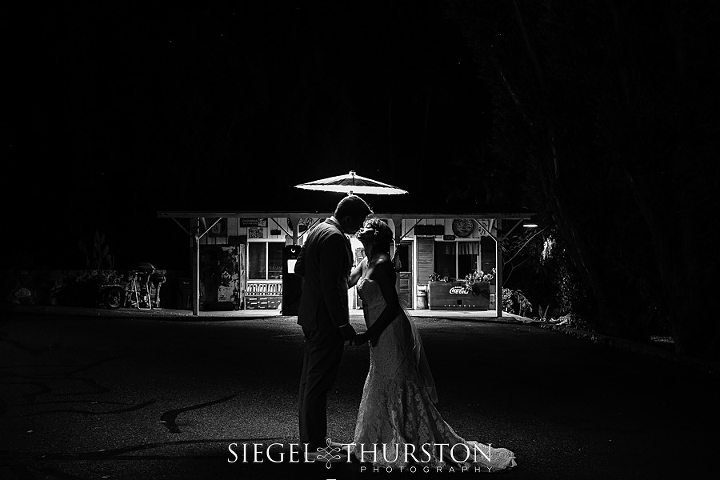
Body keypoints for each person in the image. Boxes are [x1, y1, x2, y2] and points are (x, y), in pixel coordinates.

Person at [350, 217, 517, 471]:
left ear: (377, 236)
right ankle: (378, 437)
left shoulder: (383, 264)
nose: (361, 229)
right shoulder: (365, 262)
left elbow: (393, 306)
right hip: (377, 334)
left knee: (397, 379)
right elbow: (346, 280)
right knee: (381, 379)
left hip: (390, 332)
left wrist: (368, 333)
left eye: (367, 227)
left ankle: (405, 436)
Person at [294, 194, 373, 460]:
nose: (360, 227)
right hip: (326, 320)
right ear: (348, 217)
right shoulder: (336, 237)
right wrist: (342, 323)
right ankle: (314, 445)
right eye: (359, 221)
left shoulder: (316, 230)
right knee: (319, 382)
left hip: (310, 315)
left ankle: (312, 439)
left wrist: (332, 278)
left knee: (310, 379)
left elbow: (301, 268)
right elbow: (331, 284)